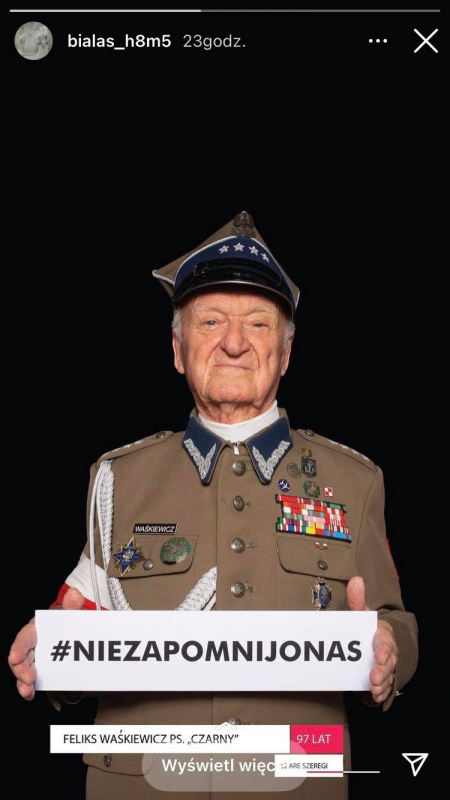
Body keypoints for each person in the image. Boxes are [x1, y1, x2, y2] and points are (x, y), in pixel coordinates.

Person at [9, 211, 418, 800]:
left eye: (258, 323)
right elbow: (84, 616)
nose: (233, 342)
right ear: (178, 350)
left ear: (285, 353)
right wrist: (50, 654)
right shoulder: (117, 479)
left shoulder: (355, 482)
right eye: (210, 321)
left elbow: (393, 619)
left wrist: (390, 652)